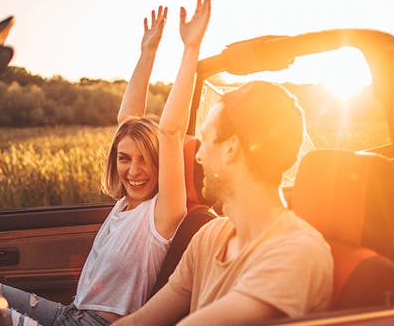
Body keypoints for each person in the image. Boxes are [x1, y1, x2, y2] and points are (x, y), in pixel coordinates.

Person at [0, 0, 212, 326]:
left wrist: (191, 50)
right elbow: (128, 120)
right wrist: (147, 53)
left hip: (93, 324)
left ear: (160, 163)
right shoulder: (125, 204)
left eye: (145, 160)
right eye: (125, 159)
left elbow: (169, 132)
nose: (134, 170)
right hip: (70, 313)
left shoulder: (163, 216)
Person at [114, 81, 334, 325]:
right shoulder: (209, 235)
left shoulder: (296, 251)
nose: (198, 155)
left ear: (231, 148)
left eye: (206, 139)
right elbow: (140, 321)